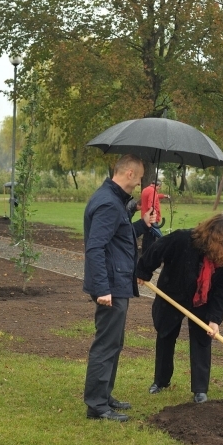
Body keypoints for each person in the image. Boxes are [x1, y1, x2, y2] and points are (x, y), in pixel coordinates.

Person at [136, 214, 223, 403]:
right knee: (165, 334)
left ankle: (200, 389)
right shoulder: (182, 239)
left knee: (202, 339)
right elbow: (156, 250)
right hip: (172, 293)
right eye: (221, 245)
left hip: (203, 301)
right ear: (211, 239)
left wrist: (215, 320)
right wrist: (143, 271)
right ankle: (161, 381)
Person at [83, 154, 156, 422]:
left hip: (117, 282)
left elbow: (118, 236)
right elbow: (95, 247)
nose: (138, 185)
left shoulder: (114, 202)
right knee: (106, 344)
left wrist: (142, 224)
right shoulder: (109, 204)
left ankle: (104, 395)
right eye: (138, 180)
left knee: (114, 342)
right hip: (110, 286)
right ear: (128, 174)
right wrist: (103, 289)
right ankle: (97, 406)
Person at [140, 180, 169, 254]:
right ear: (158, 185)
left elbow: (155, 196)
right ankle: (150, 254)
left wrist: (164, 196)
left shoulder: (146, 189)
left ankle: (144, 253)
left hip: (145, 217)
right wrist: (154, 212)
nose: (159, 189)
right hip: (151, 218)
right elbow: (150, 205)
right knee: (152, 238)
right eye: (159, 187)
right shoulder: (152, 191)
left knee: (146, 237)